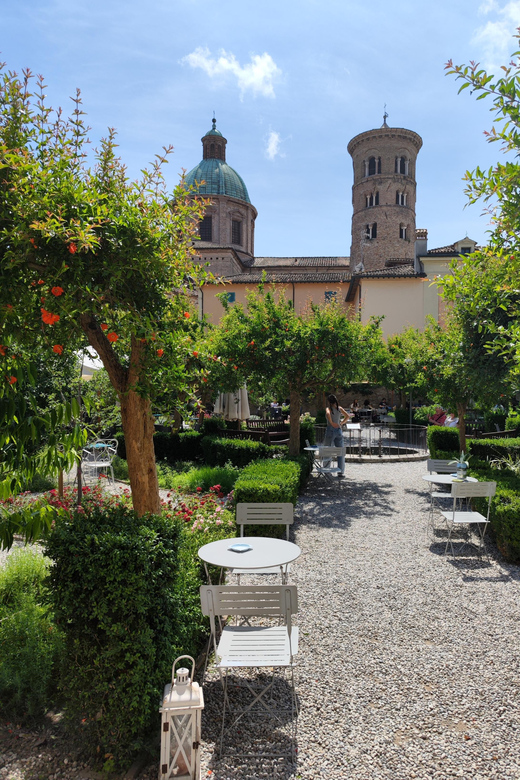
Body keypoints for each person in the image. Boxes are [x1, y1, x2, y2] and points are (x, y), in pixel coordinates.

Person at [324, 394, 351, 478]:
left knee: (327, 450)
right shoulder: (340, 408)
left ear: (329, 402)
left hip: (330, 429)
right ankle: (341, 471)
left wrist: (332, 423)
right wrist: (341, 423)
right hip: (339, 430)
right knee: (340, 451)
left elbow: (328, 414)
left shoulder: (328, 408)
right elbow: (347, 416)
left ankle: (326, 470)